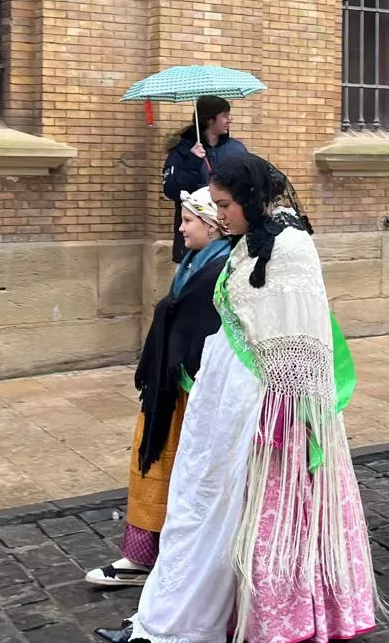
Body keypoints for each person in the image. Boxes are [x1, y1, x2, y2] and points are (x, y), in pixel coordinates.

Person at [100, 154, 377, 643]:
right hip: (225, 399)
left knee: (246, 515)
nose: (220, 213)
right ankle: (176, 617)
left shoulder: (291, 246)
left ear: (250, 199)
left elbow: (303, 341)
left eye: (225, 204)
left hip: (268, 408)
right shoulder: (246, 242)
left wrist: (284, 414)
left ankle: (257, 620)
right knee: (201, 506)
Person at [87, 188, 232, 588]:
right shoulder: (195, 262)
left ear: (212, 225)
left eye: (188, 220)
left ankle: (169, 560)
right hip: (167, 392)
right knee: (153, 468)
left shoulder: (221, 269)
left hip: (190, 393)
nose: (181, 228)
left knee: (178, 474)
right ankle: (143, 557)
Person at [162, 95, 249, 263]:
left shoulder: (237, 149)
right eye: (224, 115)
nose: (229, 120)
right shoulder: (182, 151)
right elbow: (171, 190)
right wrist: (192, 161)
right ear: (209, 119)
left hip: (231, 236)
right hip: (195, 239)